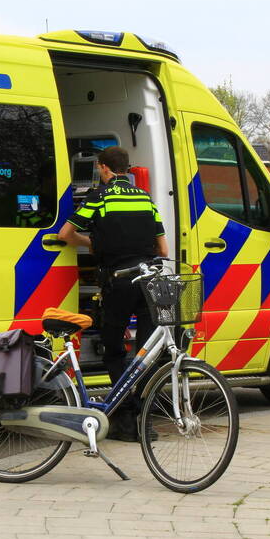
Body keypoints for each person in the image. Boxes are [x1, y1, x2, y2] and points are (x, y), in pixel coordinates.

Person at [58, 146, 168, 441]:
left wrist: (92, 244)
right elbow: (163, 249)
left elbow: (65, 234)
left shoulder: (99, 197)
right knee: (146, 353)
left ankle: (124, 417)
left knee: (114, 349)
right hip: (149, 281)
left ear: (103, 168)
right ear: (127, 169)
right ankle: (145, 421)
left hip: (118, 282)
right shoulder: (145, 198)